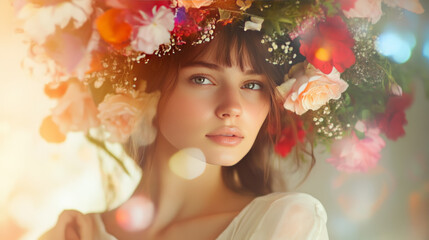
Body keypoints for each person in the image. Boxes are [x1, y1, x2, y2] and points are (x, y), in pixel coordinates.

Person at [38, 14, 328, 240]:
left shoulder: (284, 223)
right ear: (143, 85)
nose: (232, 107)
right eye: (203, 79)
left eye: (252, 85)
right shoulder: (73, 233)